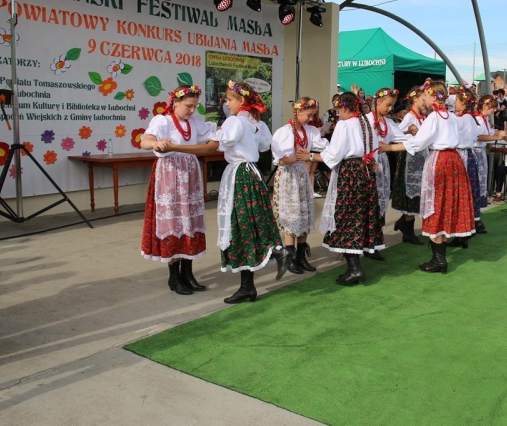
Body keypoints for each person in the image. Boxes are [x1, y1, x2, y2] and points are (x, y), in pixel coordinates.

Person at [158, 80, 292, 303]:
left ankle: (259, 273)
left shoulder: (235, 121)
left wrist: (174, 147)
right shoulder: (256, 121)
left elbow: (210, 148)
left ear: (241, 100)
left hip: (239, 175)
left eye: (229, 100)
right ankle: (271, 257)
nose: (227, 104)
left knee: (239, 226)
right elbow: (264, 146)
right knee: (252, 222)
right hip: (253, 173)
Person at [380, 79, 476, 274]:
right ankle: (439, 254)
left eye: (425, 95)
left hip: (439, 161)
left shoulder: (434, 117)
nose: (423, 99)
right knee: (445, 204)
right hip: (454, 160)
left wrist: (389, 147)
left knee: (435, 204)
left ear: (432, 96)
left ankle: (439, 259)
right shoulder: (451, 116)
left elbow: (418, 143)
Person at [297, 91, 384, 286]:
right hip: (366, 172)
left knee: (346, 216)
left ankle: (355, 268)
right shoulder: (367, 123)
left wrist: (309, 156)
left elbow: (333, 155)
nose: (338, 114)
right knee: (360, 215)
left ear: (344, 108)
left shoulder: (345, 125)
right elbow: (374, 152)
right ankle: (355, 265)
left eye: (338, 110)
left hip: (351, 173)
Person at [140, 85, 218, 295]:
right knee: (173, 222)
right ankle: (174, 277)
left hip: (190, 179)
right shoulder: (163, 121)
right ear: (175, 103)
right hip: (170, 177)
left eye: (195, 106)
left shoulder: (194, 123)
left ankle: (188, 273)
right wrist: (156, 144)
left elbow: (218, 132)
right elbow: (144, 140)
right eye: (188, 106)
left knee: (189, 222)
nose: (192, 110)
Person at [271, 97, 328, 275]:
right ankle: (289, 256)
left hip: (302, 174)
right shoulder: (284, 132)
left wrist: (308, 155)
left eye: (313, 115)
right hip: (288, 176)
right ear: (298, 111)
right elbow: (280, 160)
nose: (311, 118)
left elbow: (323, 147)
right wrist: (297, 157)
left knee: (304, 214)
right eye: (308, 115)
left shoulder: (310, 131)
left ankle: (301, 257)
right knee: (292, 215)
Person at [366, 88, 406, 260]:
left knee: (380, 201)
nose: (390, 109)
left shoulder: (388, 123)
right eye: (388, 105)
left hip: (382, 163)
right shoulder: (365, 120)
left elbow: (403, 138)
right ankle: (365, 242)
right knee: (368, 202)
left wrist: (414, 136)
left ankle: (375, 242)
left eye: (392, 106)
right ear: (378, 102)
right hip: (368, 164)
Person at [391, 87, 425, 245]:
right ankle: (408, 228)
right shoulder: (410, 117)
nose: (425, 102)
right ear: (415, 99)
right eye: (423, 99)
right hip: (410, 159)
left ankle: (405, 225)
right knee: (411, 194)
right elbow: (396, 135)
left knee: (417, 194)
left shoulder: (422, 117)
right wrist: (408, 132)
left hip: (420, 159)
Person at [454, 89, 485, 237]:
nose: (454, 102)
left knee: (462, 192)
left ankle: (463, 230)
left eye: (456, 100)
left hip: (461, 156)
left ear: (463, 102)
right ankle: (468, 226)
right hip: (467, 155)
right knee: (468, 190)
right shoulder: (470, 118)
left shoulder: (462, 119)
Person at [473, 95, 502, 210]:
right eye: (493, 107)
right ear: (485, 106)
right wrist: (496, 137)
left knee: (482, 179)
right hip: (475, 151)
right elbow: (479, 136)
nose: (494, 110)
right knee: (477, 179)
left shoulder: (484, 119)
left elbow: (490, 132)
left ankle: (478, 208)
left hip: (481, 151)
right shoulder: (477, 119)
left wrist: (505, 132)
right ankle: (475, 207)